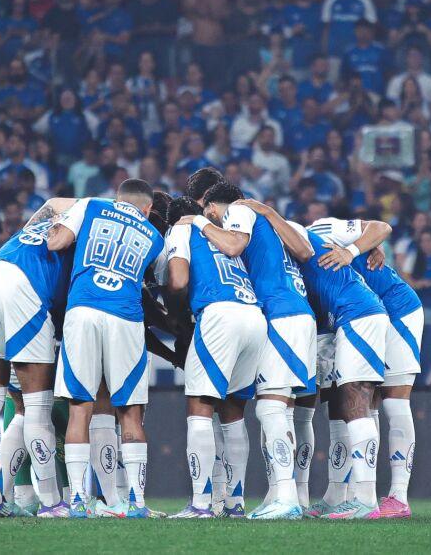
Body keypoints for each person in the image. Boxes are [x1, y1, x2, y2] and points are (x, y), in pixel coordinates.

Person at [194, 182, 315, 520]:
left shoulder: (238, 211)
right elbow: (305, 253)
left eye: (210, 213)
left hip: (279, 313)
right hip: (300, 312)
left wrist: (198, 223)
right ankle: (281, 493)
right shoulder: (274, 223)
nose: (213, 220)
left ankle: (287, 497)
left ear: (214, 206)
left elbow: (233, 246)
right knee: (284, 411)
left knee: (270, 410)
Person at [47, 179, 165, 519]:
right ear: (147, 209)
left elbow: (58, 243)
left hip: (83, 309)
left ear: (117, 198)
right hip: (126, 317)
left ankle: (79, 501)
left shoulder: (91, 206)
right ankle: (137, 503)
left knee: (80, 407)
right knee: (129, 411)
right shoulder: (154, 236)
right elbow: (160, 282)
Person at [308, 218, 421, 519]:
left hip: (397, 309)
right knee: (360, 400)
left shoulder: (319, 229)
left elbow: (381, 227)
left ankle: (398, 496)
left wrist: (354, 249)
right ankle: (350, 495)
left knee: (395, 401)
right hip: (358, 316)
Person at [161, 196, 266, 519]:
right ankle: (234, 502)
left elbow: (178, 281)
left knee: (199, 409)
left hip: (219, 314)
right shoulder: (220, 233)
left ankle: (201, 503)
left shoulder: (181, 230)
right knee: (233, 412)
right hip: (253, 315)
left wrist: (174, 312)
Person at [0, 199, 73, 518]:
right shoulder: (86, 232)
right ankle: (52, 503)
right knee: (38, 405)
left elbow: (54, 202)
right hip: (24, 287)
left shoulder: (46, 222)